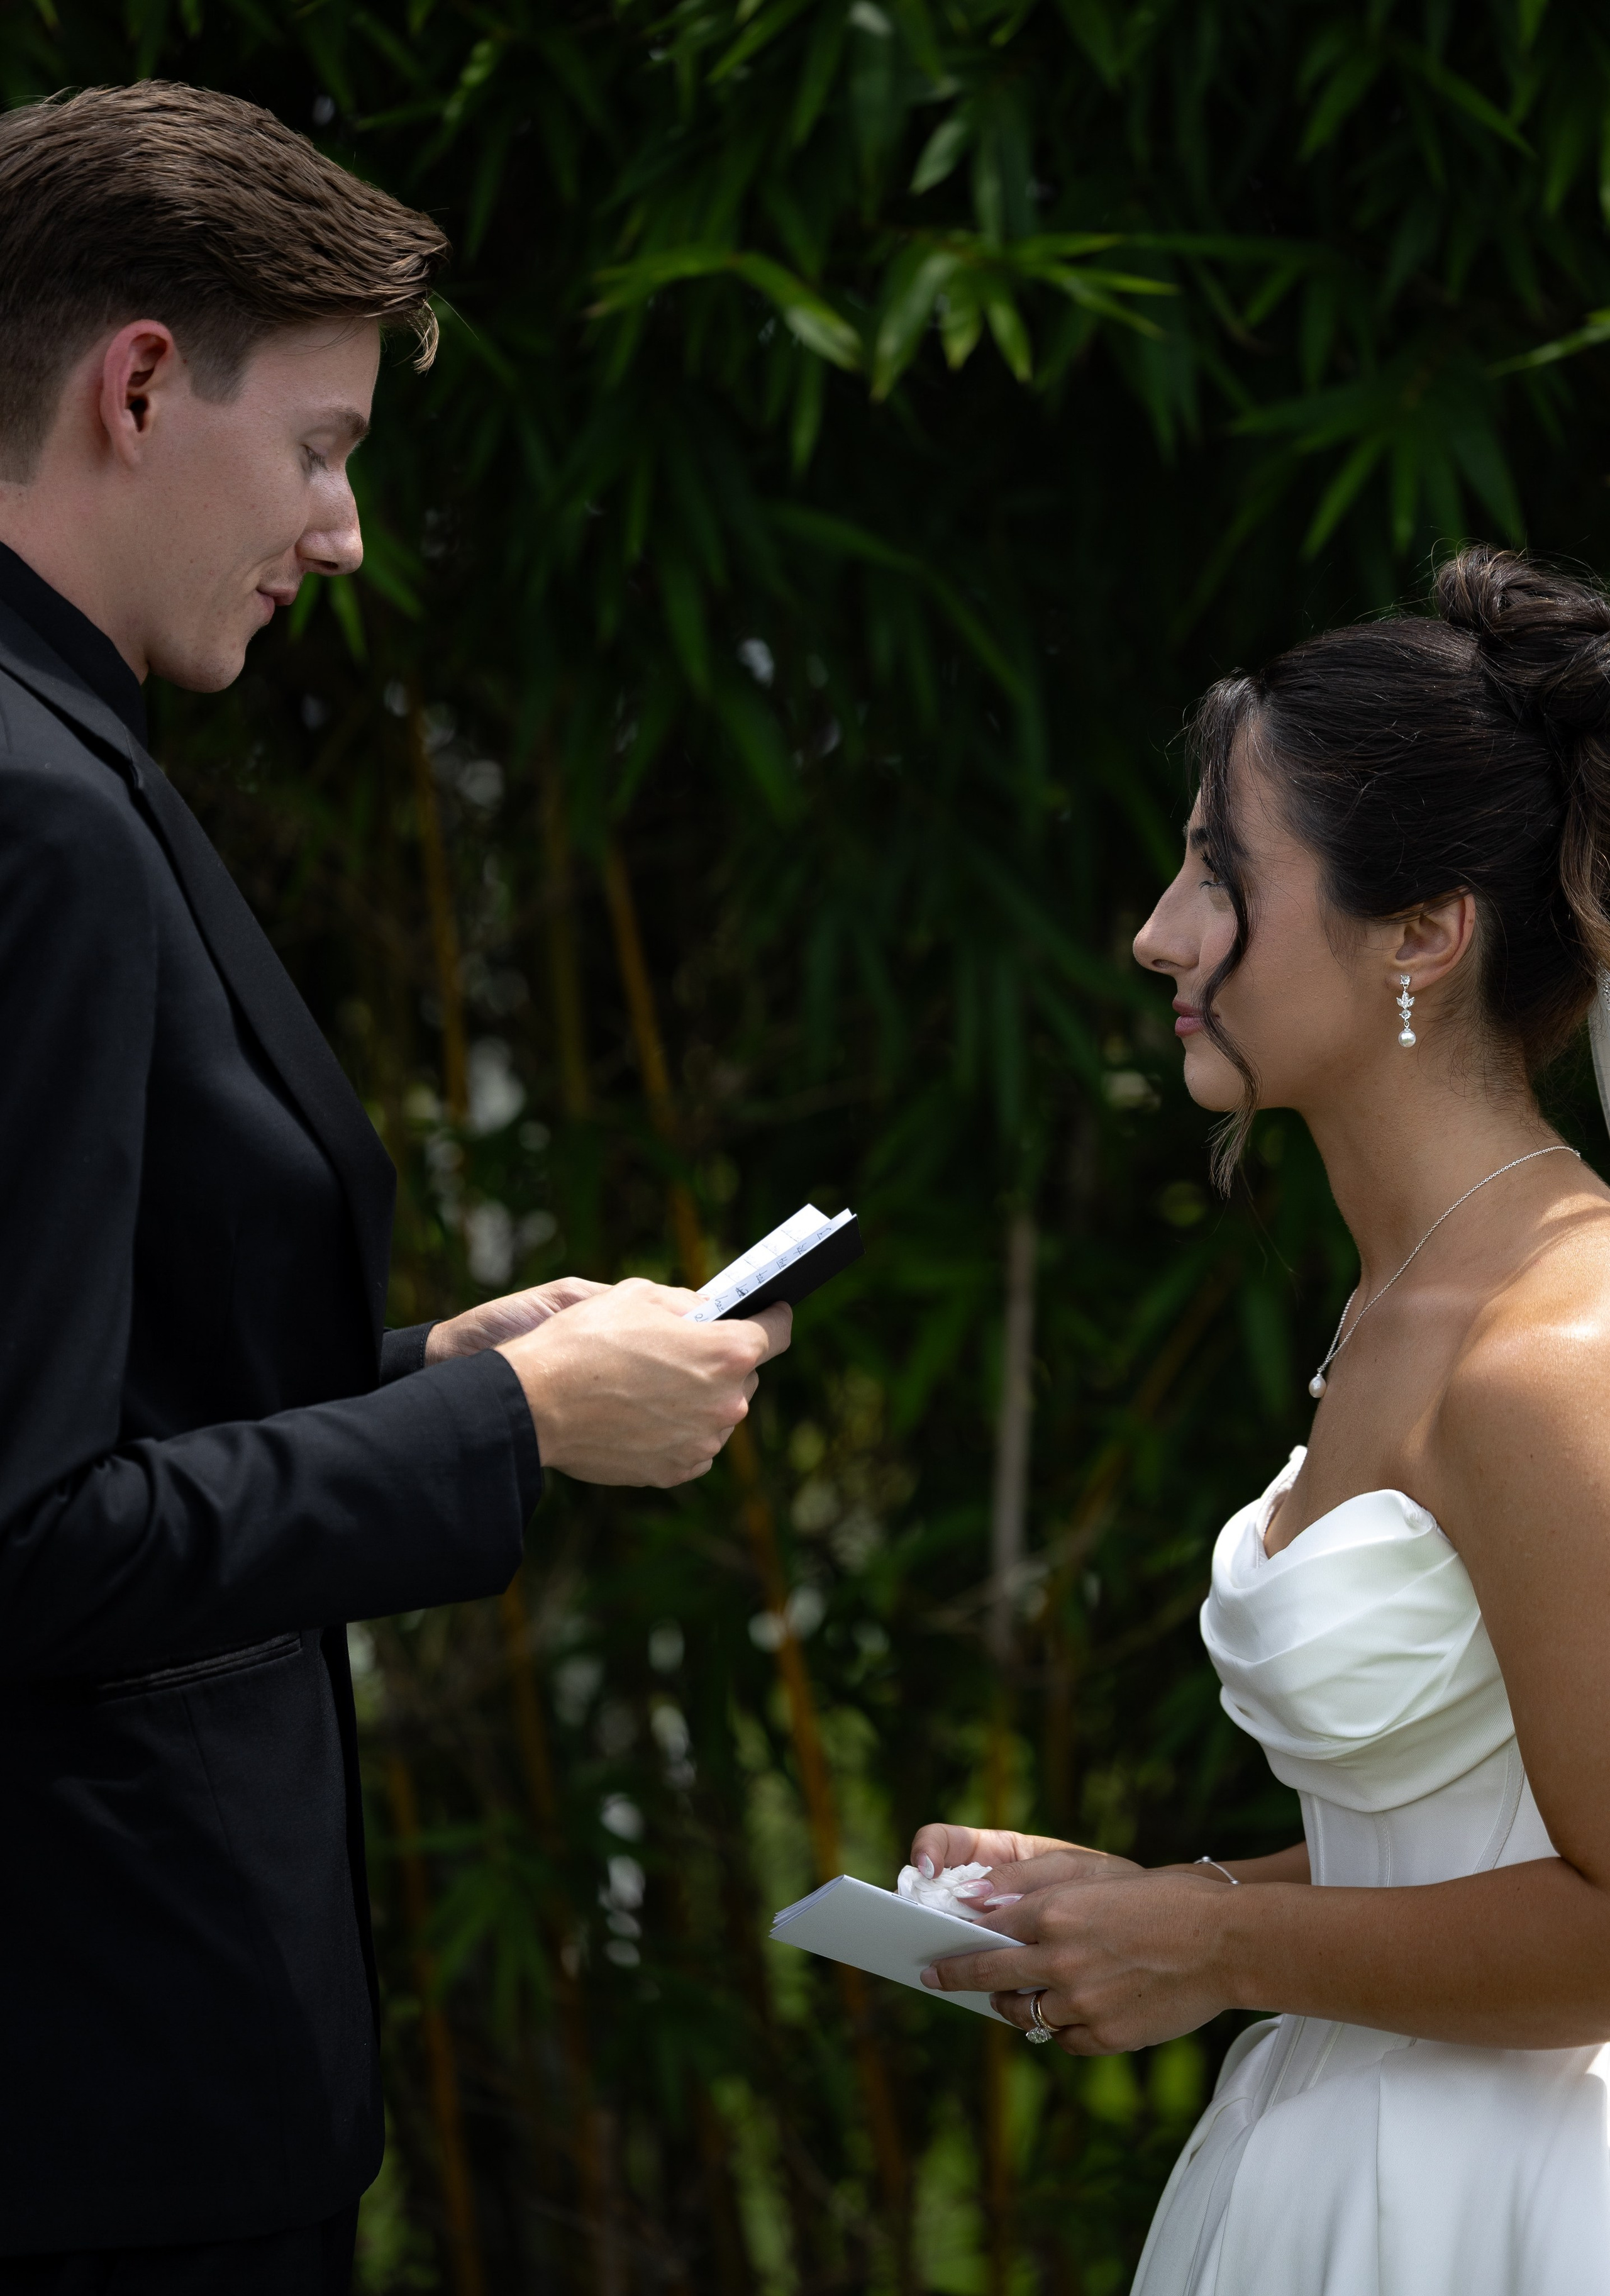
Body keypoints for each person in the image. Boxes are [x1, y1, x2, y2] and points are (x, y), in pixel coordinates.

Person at [0, 80, 789, 2293]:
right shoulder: (41, 817)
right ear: (139, 386)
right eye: (328, 446)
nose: (344, 530)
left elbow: (80, 1399)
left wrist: (422, 1366)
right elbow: (32, 1541)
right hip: (101, 2101)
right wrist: (507, 1424)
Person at [912, 547, 1610, 2293]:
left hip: (1508, 2196)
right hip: (1340, 2150)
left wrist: (1217, 1940)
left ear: (1426, 933)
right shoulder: (1397, 1300)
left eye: (1221, 874)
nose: (1158, 929)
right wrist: (1140, 1907)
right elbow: (1473, 1841)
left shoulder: (1554, 1348)